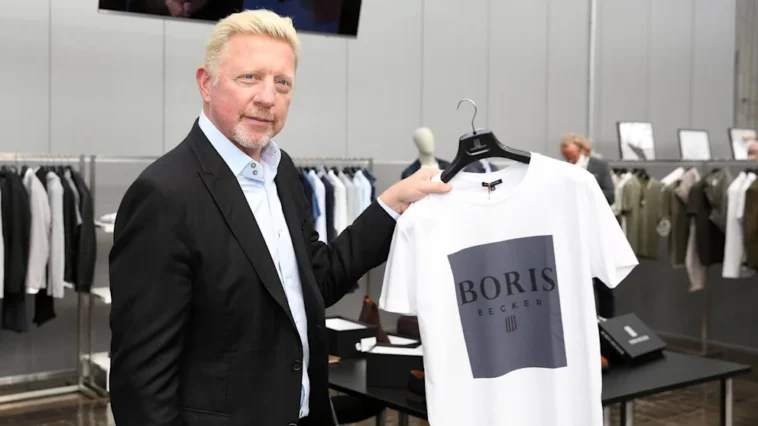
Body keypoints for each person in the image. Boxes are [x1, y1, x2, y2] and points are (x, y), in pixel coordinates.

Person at [108, 9, 451, 426]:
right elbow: (141, 383)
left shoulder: (281, 171)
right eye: (249, 77)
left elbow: (317, 279)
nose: (267, 97)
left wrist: (391, 205)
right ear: (206, 83)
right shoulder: (164, 195)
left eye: (282, 83)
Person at [559, 133, 616, 318]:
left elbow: (610, 195)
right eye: (565, 154)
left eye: (570, 152)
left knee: (603, 282)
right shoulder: (562, 168)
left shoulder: (599, 166)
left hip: (596, 232)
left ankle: (607, 323)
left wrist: (584, 194)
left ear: (581, 148)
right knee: (576, 284)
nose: (567, 156)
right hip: (572, 232)